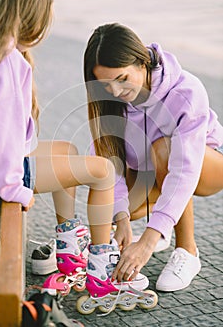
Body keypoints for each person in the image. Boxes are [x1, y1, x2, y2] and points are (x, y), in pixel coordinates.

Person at [0, 0, 157, 314]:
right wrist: (16, 190)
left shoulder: (2, 49)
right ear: (32, 20)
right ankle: (100, 269)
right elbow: (0, 136)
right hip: (2, 174)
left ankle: (67, 248)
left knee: (66, 149)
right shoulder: (8, 62)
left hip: (7, 162)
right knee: (103, 171)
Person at [83, 22, 223, 292]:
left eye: (122, 79)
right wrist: (121, 216)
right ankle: (160, 226)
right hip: (151, 174)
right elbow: (108, 160)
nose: (115, 91)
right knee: (101, 182)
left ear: (142, 62)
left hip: (207, 165)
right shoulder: (111, 100)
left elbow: (185, 170)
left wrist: (148, 238)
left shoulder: (186, 92)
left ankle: (187, 251)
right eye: (106, 84)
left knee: (164, 149)